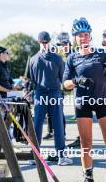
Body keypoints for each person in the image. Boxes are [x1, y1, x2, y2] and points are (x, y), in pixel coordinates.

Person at [63, 18, 106, 182]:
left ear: (90, 36)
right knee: (86, 142)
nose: (83, 38)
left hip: (102, 100)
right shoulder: (72, 58)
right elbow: (65, 83)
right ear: (75, 38)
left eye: (85, 34)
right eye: (79, 35)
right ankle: (88, 176)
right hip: (83, 103)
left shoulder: (100, 54)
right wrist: (76, 81)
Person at [29, 31, 73, 166]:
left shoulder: (33, 59)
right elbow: (63, 79)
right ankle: (61, 156)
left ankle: (35, 156)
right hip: (54, 93)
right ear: (49, 42)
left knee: (37, 124)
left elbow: (32, 80)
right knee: (58, 124)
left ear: (39, 42)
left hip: (40, 94)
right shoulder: (58, 58)